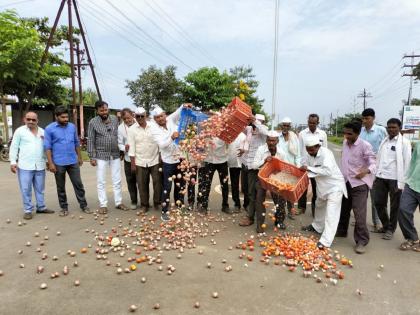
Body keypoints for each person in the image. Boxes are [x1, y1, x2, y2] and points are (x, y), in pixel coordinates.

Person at [336, 121, 376, 254]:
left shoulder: (365, 146)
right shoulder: (345, 143)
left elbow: (373, 162)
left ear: (358, 133)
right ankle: (342, 231)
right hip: (346, 182)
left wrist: (366, 171)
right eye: (345, 133)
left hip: (359, 184)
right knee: (344, 209)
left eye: (350, 134)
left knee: (359, 214)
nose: (346, 136)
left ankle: (362, 241)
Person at [300, 136, 347, 249]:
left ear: (318, 146)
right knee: (319, 206)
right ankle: (317, 227)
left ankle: (326, 241)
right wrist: (301, 168)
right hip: (322, 187)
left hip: (334, 186)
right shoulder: (308, 154)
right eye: (307, 149)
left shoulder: (327, 153)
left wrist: (310, 169)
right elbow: (303, 164)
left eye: (312, 149)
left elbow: (328, 170)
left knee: (331, 214)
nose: (309, 152)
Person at [44, 106, 90, 216]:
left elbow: (76, 142)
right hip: (58, 162)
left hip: (73, 161)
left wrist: (79, 157)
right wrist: (50, 163)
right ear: (56, 116)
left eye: (66, 117)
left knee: (78, 184)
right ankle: (64, 207)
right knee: (60, 186)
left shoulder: (72, 127)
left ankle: (83, 205)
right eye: (63, 117)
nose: (65, 119)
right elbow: (47, 147)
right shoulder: (49, 129)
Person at [9, 112, 54, 219]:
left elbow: (46, 148)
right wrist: (13, 162)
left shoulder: (43, 132)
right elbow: (14, 147)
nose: (31, 121)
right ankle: (28, 210)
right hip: (25, 165)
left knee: (40, 188)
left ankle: (41, 207)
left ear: (37, 121)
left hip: (40, 165)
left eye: (33, 120)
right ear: (24, 119)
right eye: (28, 119)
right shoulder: (20, 131)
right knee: (25, 189)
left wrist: (48, 161)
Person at [87, 100, 129, 214]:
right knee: (101, 180)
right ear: (97, 111)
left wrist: (121, 151)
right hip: (101, 155)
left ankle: (118, 202)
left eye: (105, 109)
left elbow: (118, 135)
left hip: (115, 154)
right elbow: (90, 139)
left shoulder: (115, 119)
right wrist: (91, 156)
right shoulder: (93, 122)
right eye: (101, 110)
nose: (104, 112)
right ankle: (103, 204)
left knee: (117, 180)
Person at [374, 118, 411, 240]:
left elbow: (407, 162)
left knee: (394, 206)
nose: (391, 129)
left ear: (399, 128)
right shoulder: (384, 141)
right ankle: (385, 225)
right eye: (389, 127)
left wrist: (403, 182)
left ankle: (390, 229)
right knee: (378, 203)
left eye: (394, 127)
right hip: (380, 176)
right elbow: (379, 158)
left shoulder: (404, 142)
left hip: (395, 179)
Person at [149, 104, 186, 221]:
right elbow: (162, 145)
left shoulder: (170, 120)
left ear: (165, 114)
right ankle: (165, 211)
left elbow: (178, 112)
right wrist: (172, 137)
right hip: (168, 162)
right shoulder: (154, 129)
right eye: (158, 117)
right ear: (155, 119)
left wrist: (184, 105)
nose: (161, 119)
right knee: (167, 187)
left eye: (162, 116)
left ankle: (179, 206)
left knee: (180, 185)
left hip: (179, 158)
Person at [248, 130, 287, 232]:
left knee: (281, 198)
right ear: (266, 140)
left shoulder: (281, 153)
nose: (271, 143)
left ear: (277, 141)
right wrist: (264, 161)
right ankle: (260, 224)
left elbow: (284, 169)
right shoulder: (261, 150)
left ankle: (279, 220)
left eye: (273, 141)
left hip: (275, 179)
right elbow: (254, 165)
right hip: (262, 178)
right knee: (259, 198)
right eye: (269, 140)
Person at [128, 107, 161, 212]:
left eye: (142, 116)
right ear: (135, 116)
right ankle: (144, 205)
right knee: (142, 184)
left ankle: (157, 203)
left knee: (157, 183)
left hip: (155, 159)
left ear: (146, 115)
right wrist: (133, 164)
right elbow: (131, 147)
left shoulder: (154, 126)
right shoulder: (131, 129)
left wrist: (161, 157)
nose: (140, 118)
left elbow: (159, 142)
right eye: (138, 116)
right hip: (140, 161)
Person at [238, 114, 268, 226]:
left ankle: (253, 217)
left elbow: (264, 131)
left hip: (258, 167)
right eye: (254, 121)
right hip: (247, 165)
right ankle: (250, 213)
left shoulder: (263, 132)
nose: (255, 125)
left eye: (259, 122)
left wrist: (256, 121)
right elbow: (240, 127)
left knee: (256, 193)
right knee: (247, 191)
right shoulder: (250, 130)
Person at [360, 108, 387, 232]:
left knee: (375, 197)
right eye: (363, 118)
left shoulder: (381, 130)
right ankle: (360, 219)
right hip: (362, 169)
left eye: (367, 118)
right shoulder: (361, 131)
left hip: (376, 168)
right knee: (361, 196)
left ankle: (377, 223)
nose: (365, 121)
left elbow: (387, 144)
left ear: (373, 118)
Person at [298, 113, 328, 216]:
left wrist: (322, 165)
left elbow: (325, 150)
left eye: (313, 123)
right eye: (309, 122)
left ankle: (315, 210)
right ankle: (301, 208)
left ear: (317, 123)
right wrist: (300, 164)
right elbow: (300, 150)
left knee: (316, 189)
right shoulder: (302, 134)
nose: (311, 125)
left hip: (317, 166)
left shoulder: (322, 134)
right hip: (305, 164)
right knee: (302, 188)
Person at [198, 137, 231, 214]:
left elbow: (229, 142)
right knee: (206, 184)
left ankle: (225, 206)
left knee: (224, 185)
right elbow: (200, 146)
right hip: (209, 161)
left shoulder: (224, 131)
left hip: (222, 161)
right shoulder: (206, 130)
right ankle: (204, 206)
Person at [398, 142, 420, 252]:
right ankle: (412, 238)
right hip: (412, 184)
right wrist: (406, 179)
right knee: (403, 210)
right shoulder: (419, 144)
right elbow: (413, 162)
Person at [278, 117, 301, 220]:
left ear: (290, 126)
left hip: (292, 168)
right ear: (281, 126)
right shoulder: (278, 137)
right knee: (282, 191)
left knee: (291, 191)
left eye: (287, 125)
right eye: (284, 125)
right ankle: (281, 211)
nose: (285, 127)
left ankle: (291, 211)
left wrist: (298, 167)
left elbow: (298, 154)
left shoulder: (294, 137)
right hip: (280, 169)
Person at [118, 108, 138, 210]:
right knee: (130, 181)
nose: (127, 120)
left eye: (129, 118)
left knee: (143, 182)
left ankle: (144, 202)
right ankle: (134, 201)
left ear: (133, 115)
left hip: (140, 159)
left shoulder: (139, 124)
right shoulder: (121, 128)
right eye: (125, 119)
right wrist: (124, 148)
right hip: (128, 159)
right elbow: (119, 143)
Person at [227, 132, 246, 212]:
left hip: (245, 162)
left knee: (246, 185)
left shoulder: (244, 136)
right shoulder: (229, 135)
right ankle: (237, 204)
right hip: (233, 163)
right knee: (234, 184)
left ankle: (247, 204)